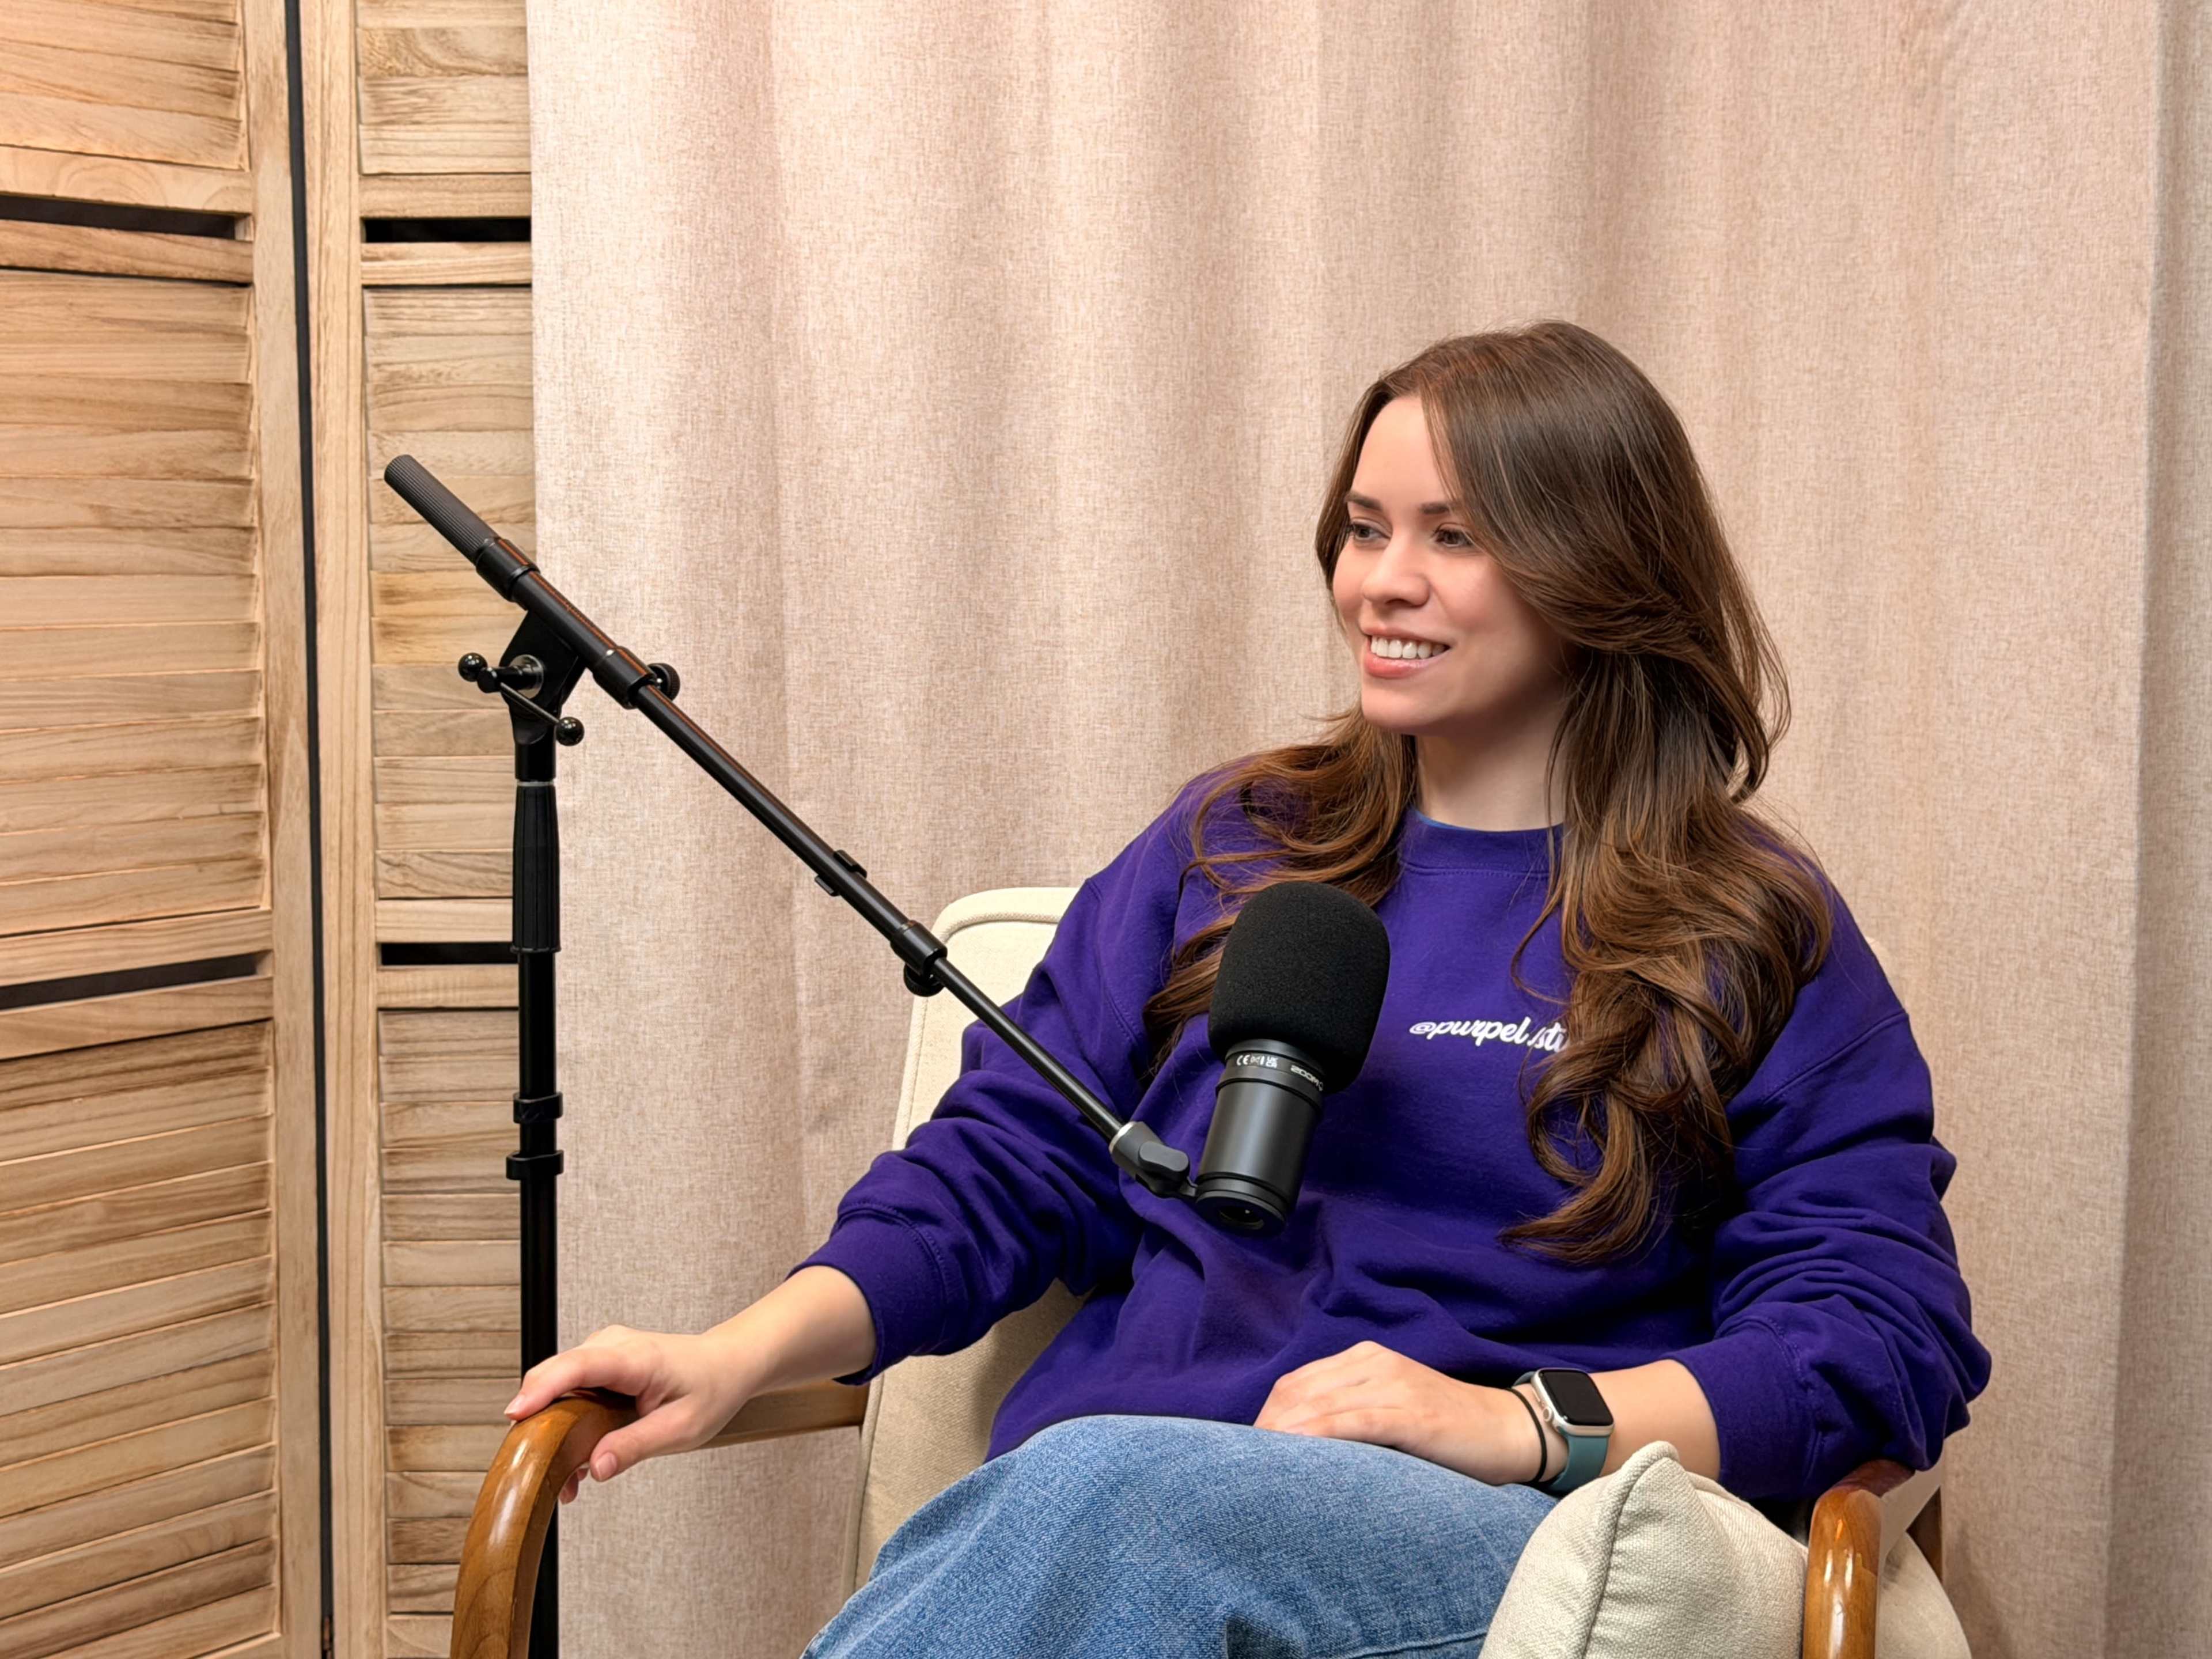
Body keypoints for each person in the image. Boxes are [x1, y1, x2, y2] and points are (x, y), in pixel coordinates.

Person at [501, 320, 1994, 1656]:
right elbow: (1006, 1166)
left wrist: (1512, 1425)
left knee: (1110, 1497)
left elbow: (1876, 1340)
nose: (1381, 581)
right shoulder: (1237, 843)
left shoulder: (1743, 926)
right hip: (1100, 1520)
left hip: (1464, 1539)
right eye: (1363, 528)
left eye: (1455, 537)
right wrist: (732, 1355)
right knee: (1093, 1493)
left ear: (1597, 570)